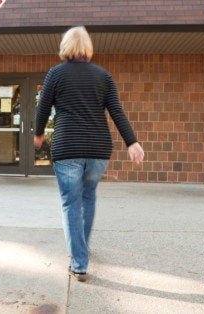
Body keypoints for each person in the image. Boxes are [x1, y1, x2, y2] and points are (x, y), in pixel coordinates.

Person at [34, 26, 144, 282]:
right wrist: (132, 142)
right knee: (88, 196)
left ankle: (79, 262)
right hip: (98, 149)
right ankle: (81, 249)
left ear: (65, 47)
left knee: (71, 203)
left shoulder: (55, 74)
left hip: (68, 146)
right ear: (88, 47)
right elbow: (116, 111)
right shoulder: (103, 76)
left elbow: (43, 109)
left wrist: (38, 134)